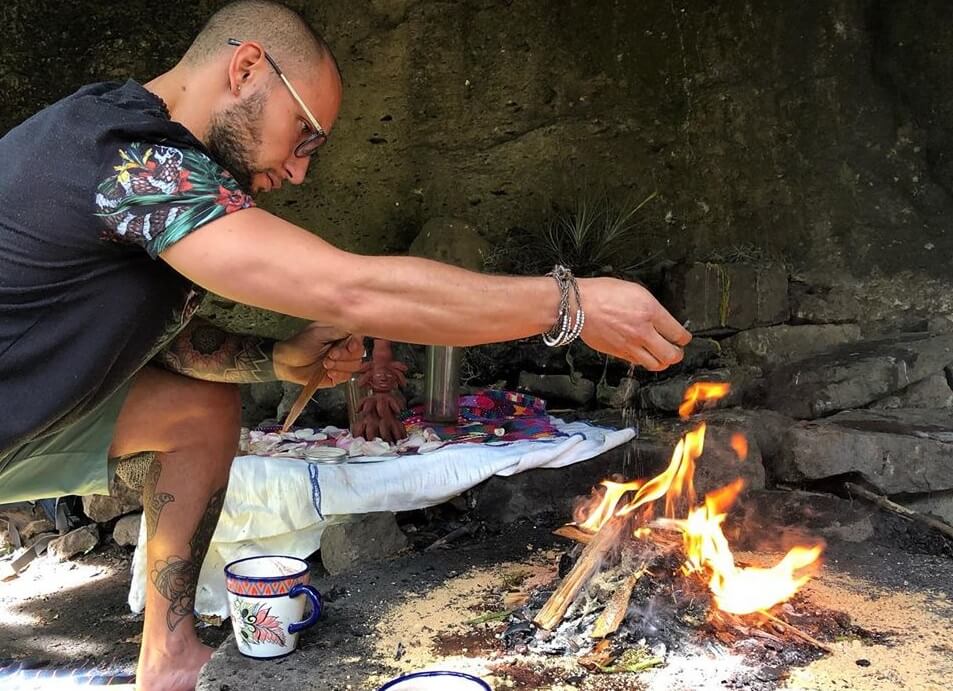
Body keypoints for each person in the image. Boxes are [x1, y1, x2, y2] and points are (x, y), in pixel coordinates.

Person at [0, 1, 691, 688]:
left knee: (199, 412)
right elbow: (349, 290)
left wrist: (276, 359)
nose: (299, 173)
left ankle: (169, 656)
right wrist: (569, 302)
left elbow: (170, 348)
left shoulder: (139, 148)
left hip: (26, 416)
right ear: (246, 68)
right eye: (303, 134)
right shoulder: (126, 157)